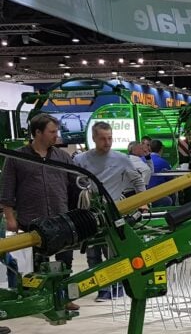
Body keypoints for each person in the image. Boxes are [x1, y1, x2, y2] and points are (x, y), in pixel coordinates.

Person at [0, 113, 81, 318]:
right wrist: (10, 217)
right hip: (32, 221)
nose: (56, 135)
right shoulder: (16, 157)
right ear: (38, 132)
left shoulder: (62, 157)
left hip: (61, 218)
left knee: (65, 261)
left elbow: (76, 184)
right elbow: (7, 190)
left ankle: (64, 297)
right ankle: (40, 298)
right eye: (52, 132)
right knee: (38, 263)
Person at [74, 121, 147, 301]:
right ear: (93, 138)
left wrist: (143, 202)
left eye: (110, 138)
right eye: (102, 139)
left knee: (113, 251)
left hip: (114, 211)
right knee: (93, 252)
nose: (107, 142)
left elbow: (137, 181)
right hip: (89, 211)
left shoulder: (121, 159)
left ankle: (116, 286)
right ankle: (102, 288)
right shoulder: (80, 160)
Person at [147, 140, 174, 207]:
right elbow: (170, 179)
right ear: (161, 149)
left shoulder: (141, 160)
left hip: (142, 194)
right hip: (158, 194)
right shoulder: (164, 162)